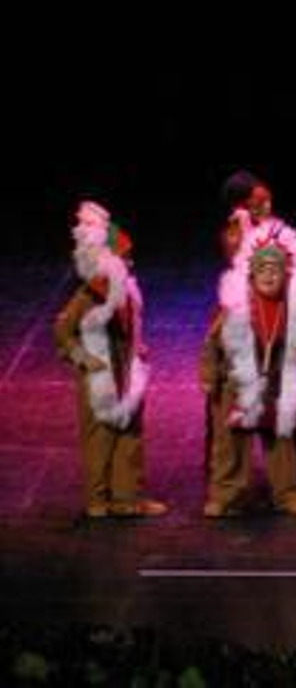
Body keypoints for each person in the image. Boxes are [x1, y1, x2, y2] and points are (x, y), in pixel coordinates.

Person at [54, 202, 166, 519]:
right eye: (124, 256)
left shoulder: (126, 291)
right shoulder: (91, 294)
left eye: (130, 256)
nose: (131, 261)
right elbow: (62, 330)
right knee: (100, 436)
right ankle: (97, 500)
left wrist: (137, 346)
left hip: (125, 370)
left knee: (128, 433)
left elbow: (129, 324)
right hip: (100, 375)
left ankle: (126, 497)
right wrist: (84, 359)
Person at [200, 221, 296, 518]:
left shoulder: (292, 309)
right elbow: (211, 345)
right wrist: (208, 376)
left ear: (286, 275)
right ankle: (226, 496)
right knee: (230, 446)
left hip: (275, 387)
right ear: (251, 273)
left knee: (281, 443)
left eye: (275, 270)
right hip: (236, 387)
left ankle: (287, 494)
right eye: (262, 269)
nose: (268, 275)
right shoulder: (235, 306)